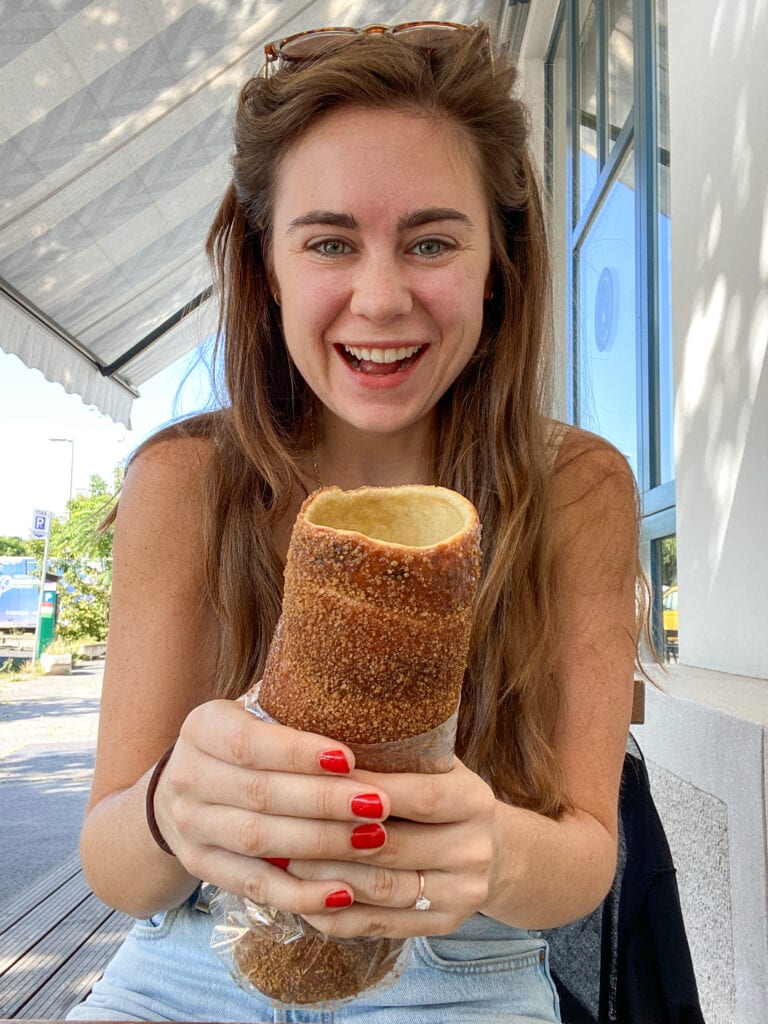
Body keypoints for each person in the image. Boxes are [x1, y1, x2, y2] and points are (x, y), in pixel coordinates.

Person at [68, 21, 641, 1024]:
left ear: (500, 263)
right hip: (192, 963)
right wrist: (169, 807)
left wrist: (490, 846)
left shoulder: (577, 489)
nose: (381, 298)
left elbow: (585, 859)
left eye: (430, 241)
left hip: (460, 967)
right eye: (331, 241)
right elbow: (118, 867)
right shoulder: (187, 479)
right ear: (267, 263)